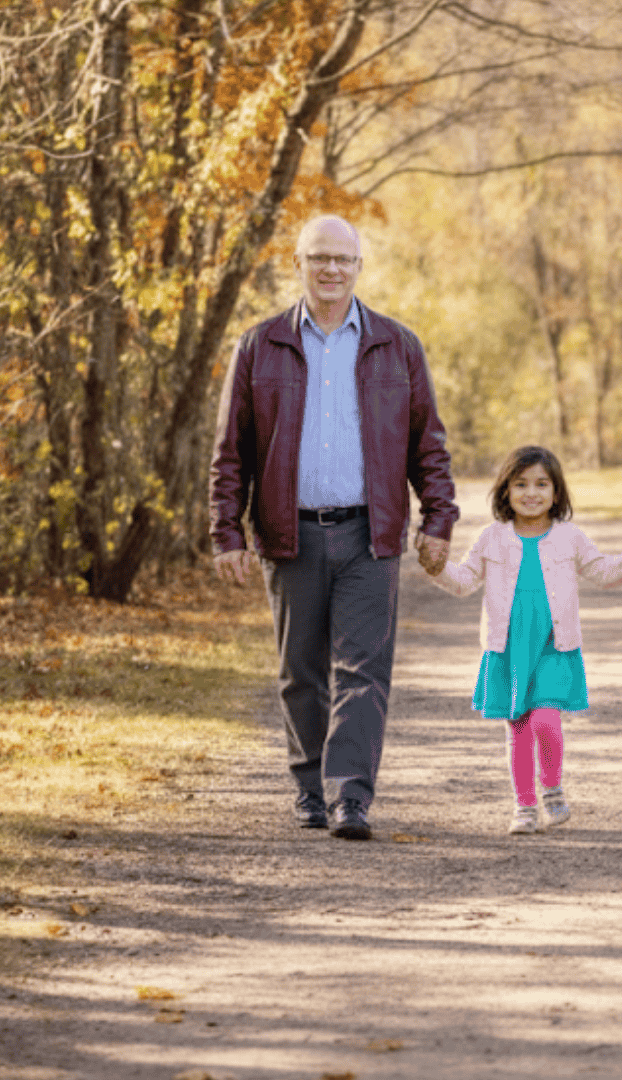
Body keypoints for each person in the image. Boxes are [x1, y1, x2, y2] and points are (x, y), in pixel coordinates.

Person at [210, 214, 458, 841]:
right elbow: (230, 451)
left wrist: (439, 518)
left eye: (342, 259)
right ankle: (308, 788)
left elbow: (427, 442)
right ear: (298, 264)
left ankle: (350, 796)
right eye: (318, 258)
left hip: (368, 535)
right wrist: (227, 532)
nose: (330, 270)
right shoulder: (259, 345)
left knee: (363, 670)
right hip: (288, 534)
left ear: (358, 268)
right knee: (301, 671)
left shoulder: (396, 345)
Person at [426, 446, 622, 834]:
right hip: (509, 650)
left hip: (553, 646)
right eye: (521, 484)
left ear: (557, 492)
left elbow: (601, 570)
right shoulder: (492, 538)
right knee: (517, 729)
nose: (531, 493)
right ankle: (524, 807)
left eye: (542, 484)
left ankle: (551, 787)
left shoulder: (569, 537)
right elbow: (463, 581)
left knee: (546, 721)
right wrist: (436, 568)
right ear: (505, 492)